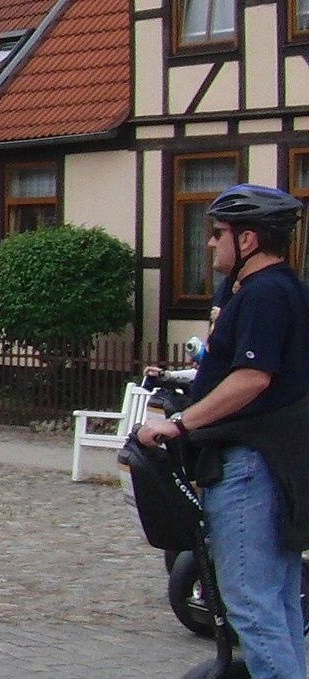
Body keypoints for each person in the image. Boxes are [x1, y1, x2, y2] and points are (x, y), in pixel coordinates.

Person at [137, 184, 309, 679]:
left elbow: (253, 377)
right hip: (273, 463)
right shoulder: (273, 289)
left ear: (249, 240)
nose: (210, 243)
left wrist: (179, 422)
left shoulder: (266, 293)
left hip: (250, 466)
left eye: (219, 234)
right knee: (278, 601)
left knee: (251, 604)